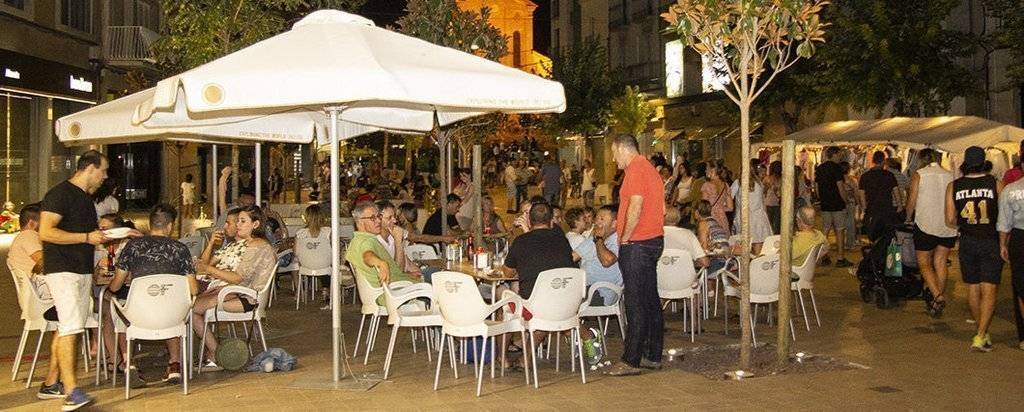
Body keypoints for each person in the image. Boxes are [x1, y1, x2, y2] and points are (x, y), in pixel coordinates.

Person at [38, 150, 112, 410]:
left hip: (80, 271)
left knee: (68, 326)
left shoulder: (84, 199)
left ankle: (50, 383)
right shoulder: (60, 194)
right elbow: (46, 231)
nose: (105, 176)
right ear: (90, 168)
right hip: (63, 270)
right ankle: (71, 391)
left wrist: (99, 234)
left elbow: (82, 232)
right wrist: (86, 238)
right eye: (103, 170)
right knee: (71, 328)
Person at [108, 204, 198, 385]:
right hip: (170, 315)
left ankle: (128, 363)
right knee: (172, 305)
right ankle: (174, 365)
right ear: (170, 226)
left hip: (139, 314)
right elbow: (194, 290)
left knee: (114, 303)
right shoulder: (180, 249)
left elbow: (116, 286)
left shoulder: (132, 247)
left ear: (150, 225)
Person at [604, 135, 665, 377]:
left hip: (638, 243)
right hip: (652, 240)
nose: (613, 158)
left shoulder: (636, 170)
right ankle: (653, 354)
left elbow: (636, 205)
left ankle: (631, 360)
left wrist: (626, 237)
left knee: (636, 302)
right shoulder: (649, 169)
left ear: (622, 148)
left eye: (613, 152)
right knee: (650, 299)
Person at [192, 205, 277, 370]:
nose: (238, 224)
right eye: (238, 221)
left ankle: (215, 353)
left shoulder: (257, 246)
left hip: (247, 298)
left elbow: (238, 278)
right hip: (233, 291)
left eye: (242, 221)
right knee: (190, 306)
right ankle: (216, 352)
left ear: (256, 224)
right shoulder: (241, 245)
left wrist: (209, 270)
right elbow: (207, 266)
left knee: (191, 308)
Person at [501, 202, 575, 364]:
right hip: (565, 304)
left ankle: (502, 358)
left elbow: (507, 273)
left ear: (529, 221)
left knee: (505, 305)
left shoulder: (521, 242)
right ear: (551, 221)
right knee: (544, 306)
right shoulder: (562, 240)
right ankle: (525, 359)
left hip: (534, 308)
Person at [947, 146, 1003, 352]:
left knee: (973, 287)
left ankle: (982, 333)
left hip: (967, 240)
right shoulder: (995, 184)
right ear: (984, 162)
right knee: (989, 288)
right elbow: (1004, 214)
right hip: (990, 239)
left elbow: (950, 219)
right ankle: (980, 335)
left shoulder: (954, 186)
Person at [10, 204, 63, 400]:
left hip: (41, 299)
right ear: (33, 223)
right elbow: (43, 261)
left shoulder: (25, 238)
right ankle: (52, 380)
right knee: (75, 312)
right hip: (42, 303)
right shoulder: (28, 236)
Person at [905, 149, 957, 318]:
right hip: (948, 226)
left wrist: (907, 216)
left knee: (924, 263)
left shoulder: (919, 174)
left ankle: (937, 295)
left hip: (926, 223)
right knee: (940, 262)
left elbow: (912, 199)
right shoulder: (950, 175)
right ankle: (936, 298)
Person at [345, 201, 423, 299]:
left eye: (378, 217)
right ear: (360, 221)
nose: (378, 221)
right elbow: (367, 255)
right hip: (394, 293)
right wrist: (381, 263)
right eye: (372, 218)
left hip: (399, 286)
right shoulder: (365, 241)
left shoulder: (362, 239)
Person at [997, 158, 1024, 350]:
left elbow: (1004, 222)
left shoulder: (1011, 190)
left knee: (1020, 286)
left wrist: (1002, 245)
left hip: (1019, 238)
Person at [815, 147, 852, 267]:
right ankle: (840, 258)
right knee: (840, 230)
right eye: (839, 154)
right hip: (837, 203)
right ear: (834, 154)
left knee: (825, 230)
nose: (841, 156)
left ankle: (822, 256)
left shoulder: (820, 168)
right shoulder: (837, 168)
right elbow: (840, 186)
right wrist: (845, 200)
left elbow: (816, 187)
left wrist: (821, 198)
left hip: (825, 203)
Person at [295, 204, 333, 308]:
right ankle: (328, 290)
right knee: (329, 263)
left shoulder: (300, 233)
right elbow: (334, 250)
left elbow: (296, 252)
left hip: (305, 266)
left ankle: (301, 290)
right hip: (325, 267)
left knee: (312, 259)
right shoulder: (328, 232)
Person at [730, 168, 773, 255]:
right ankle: (757, 266)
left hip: (745, 217)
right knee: (759, 248)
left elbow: (730, 195)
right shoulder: (758, 183)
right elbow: (762, 201)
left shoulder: (738, 182)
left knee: (745, 248)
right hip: (759, 217)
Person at [859, 151, 899, 241]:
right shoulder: (889, 175)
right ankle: (883, 253)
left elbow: (861, 195)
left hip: (872, 210)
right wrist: (899, 206)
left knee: (873, 235)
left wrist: (864, 208)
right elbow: (896, 192)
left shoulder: (865, 176)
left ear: (873, 160)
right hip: (887, 209)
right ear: (883, 161)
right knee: (886, 236)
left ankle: (874, 252)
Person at [701, 162, 733, 234]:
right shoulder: (725, 185)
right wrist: (719, 208)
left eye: (707, 168)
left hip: (710, 219)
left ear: (713, 170)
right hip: (722, 219)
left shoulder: (707, 185)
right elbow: (730, 208)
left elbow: (704, 207)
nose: (705, 171)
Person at [839, 161, 860, 249]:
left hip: (840, 203)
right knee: (851, 223)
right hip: (851, 202)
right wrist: (858, 202)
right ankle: (850, 243)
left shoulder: (838, 180)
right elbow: (856, 192)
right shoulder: (852, 180)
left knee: (841, 224)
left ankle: (841, 243)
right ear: (848, 169)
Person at [763, 161, 782, 235]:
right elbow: (764, 191)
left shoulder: (767, 178)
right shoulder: (768, 178)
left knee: (772, 225)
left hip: (772, 203)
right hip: (773, 203)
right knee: (774, 225)